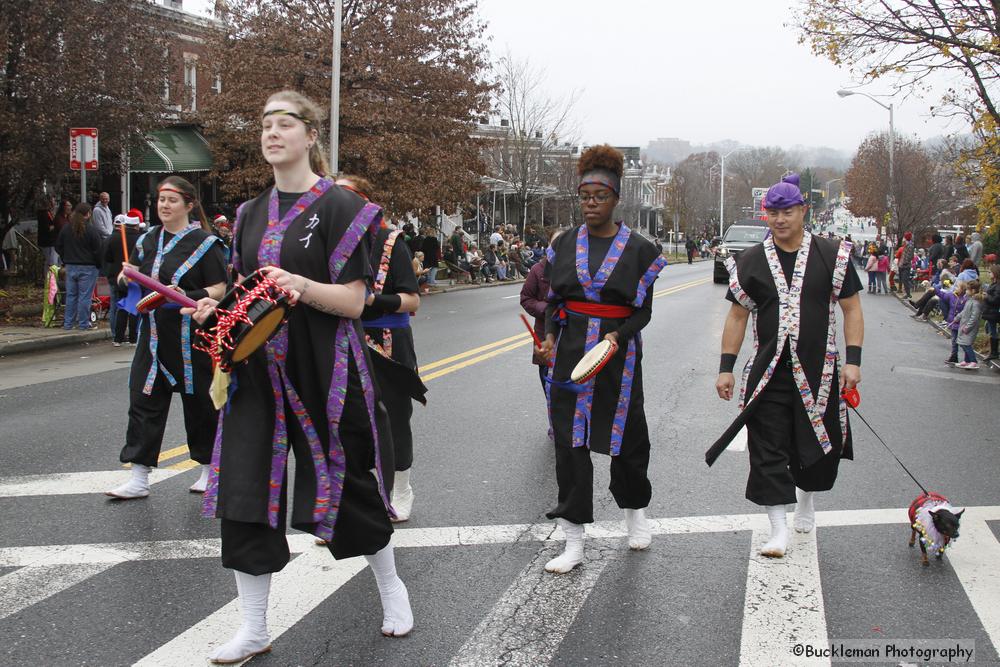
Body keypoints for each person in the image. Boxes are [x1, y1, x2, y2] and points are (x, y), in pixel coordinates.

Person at [184, 90, 412, 663]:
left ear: (312, 136)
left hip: (326, 364)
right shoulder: (248, 214)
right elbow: (244, 290)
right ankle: (254, 626)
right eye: (265, 124)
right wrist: (220, 309)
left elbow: (358, 302)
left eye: (285, 124)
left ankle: (390, 586)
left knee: (350, 480)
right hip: (256, 371)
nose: (271, 133)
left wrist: (302, 286)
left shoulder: (344, 209)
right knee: (243, 490)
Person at [710, 173, 864, 559]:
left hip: (820, 373)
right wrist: (726, 367)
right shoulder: (752, 260)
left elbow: (852, 309)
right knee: (767, 450)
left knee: (817, 449)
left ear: (803, 211)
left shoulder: (832, 254)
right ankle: (777, 528)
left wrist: (854, 361)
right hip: (768, 374)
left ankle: (806, 500)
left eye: (788, 211)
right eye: (773, 212)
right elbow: (737, 316)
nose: (780, 219)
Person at [538, 145, 667, 572]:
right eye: (584, 195)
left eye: (600, 196)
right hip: (570, 357)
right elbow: (553, 304)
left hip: (618, 358)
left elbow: (643, 310)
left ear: (616, 198)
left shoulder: (641, 250)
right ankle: (573, 539)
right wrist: (549, 340)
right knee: (569, 445)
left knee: (627, 441)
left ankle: (636, 514)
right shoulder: (564, 245)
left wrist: (618, 336)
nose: (590, 203)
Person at [104, 176, 227, 501]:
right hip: (153, 334)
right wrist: (125, 277)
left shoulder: (207, 244)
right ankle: (139, 476)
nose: (165, 206)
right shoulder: (146, 240)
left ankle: (208, 469)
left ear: (189, 205)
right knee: (143, 401)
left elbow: (220, 288)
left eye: (172, 201)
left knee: (200, 403)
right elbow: (135, 280)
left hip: (191, 334)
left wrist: (187, 293)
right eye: (161, 201)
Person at [341, 173, 423, 523]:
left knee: (393, 417)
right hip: (343, 339)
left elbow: (411, 300)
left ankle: (400, 487)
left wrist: (373, 299)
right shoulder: (329, 243)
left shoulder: (391, 241)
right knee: (348, 421)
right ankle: (354, 501)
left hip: (387, 342)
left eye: (345, 200)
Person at [520, 231, 561, 392]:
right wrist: (546, 309)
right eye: (555, 242)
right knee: (551, 395)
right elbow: (526, 298)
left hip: (574, 341)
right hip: (545, 336)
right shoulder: (538, 270)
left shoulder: (580, 269)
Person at [54, 203, 102, 329]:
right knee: (84, 297)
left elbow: (58, 246)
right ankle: (83, 323)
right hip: (88, 267)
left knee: (71, 296)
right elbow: (98, 250)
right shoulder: (91, 230)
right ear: (88, 214)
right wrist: (98, 264)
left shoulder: (66, 228)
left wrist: (65, 258)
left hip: (70, 266)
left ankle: (68, 323)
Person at [102, 213, 143, 346]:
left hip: (118, 277)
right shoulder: (141, 239)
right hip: (136, 278)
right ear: (137, 225)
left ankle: (117, 338)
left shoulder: (113, 238)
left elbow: (107, 257)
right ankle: (133, 338)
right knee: (134, 307)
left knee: (120, 307)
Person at [955, 279, 984, 370]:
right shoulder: (969, 300)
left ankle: (973, 361)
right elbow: (964, 311)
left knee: (966, 344)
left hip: (969, 328)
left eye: (967, 289)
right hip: (965, 325)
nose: (966, 291)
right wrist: (958, 317)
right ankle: (966, 360)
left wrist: (968, 327)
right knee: (963, 343)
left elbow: (974, 317)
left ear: (973, 291)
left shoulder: (975, 303)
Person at [982, 264, 1000, 362]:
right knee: (990, 329)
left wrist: (986, 296)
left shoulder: (997, 285)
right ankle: (993, 351)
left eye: (990, 272)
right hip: (991, 312)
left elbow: (996, 299)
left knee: (993, 331)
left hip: (994, 312)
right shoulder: (994, 284)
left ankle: (994, 352)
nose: (989, 274)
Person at [36, 196, 59, 268]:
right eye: (53, 201)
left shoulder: (48, 212)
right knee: (52, 262)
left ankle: (49, 277)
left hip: (51, 241)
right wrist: (56, 225)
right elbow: (47, 228)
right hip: (47, 241)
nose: (55, 203)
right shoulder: (44, 214)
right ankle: (51, 277)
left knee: (50, 261)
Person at [898, 231, 915, 298]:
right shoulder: (905, 245)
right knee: (903, 279)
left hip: (906, 265)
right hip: (902, 264)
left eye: (904, 237)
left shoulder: (910, 245)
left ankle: (908, 293)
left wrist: (905, 262)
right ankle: (907, 293)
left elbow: (910, 256)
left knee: (905, 279)